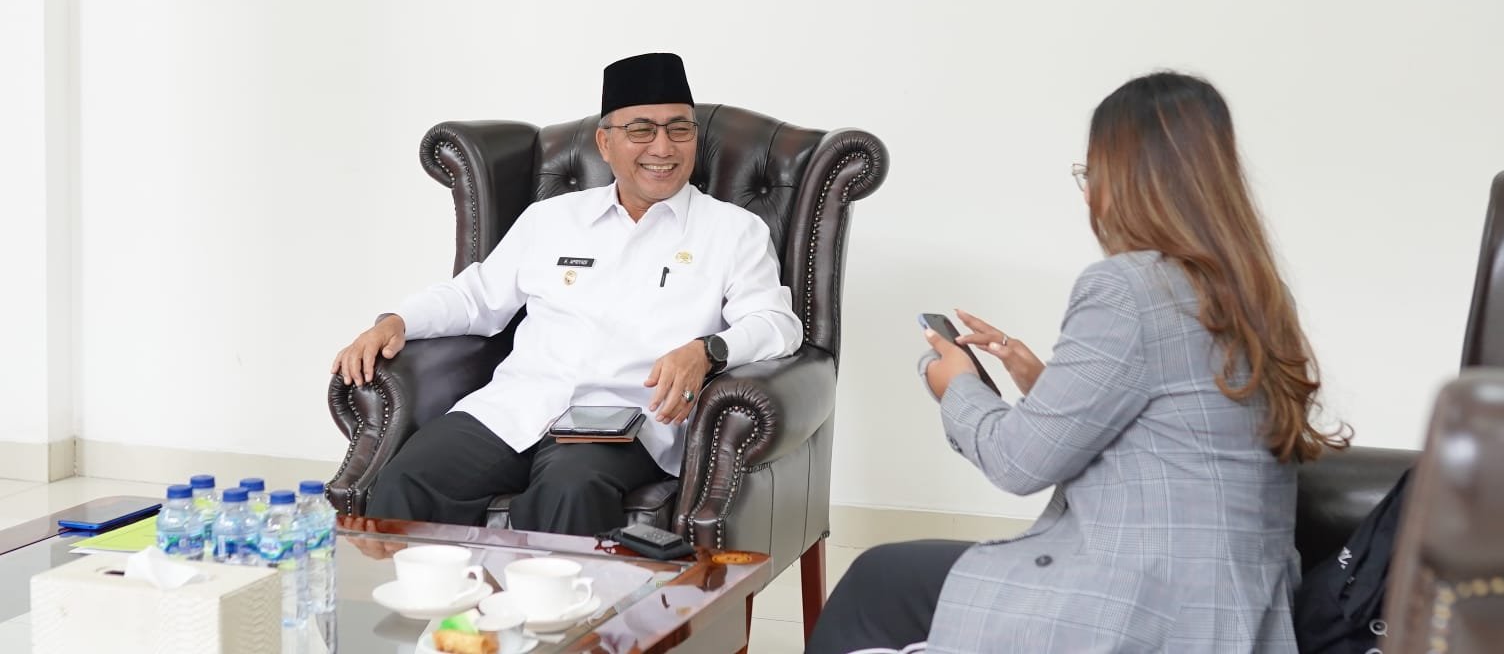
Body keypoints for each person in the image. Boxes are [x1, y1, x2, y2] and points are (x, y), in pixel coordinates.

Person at [805, 71, 1349, 654]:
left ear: (1129, 182)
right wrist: (1041, 381)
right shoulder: (1258, 291)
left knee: (876, 581)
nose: (1087, 194)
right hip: (1237, 609)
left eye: (1091, 174)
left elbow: (1017, 464)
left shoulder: (1128, 286)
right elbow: (1176, 426)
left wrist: (955, 385)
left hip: (1146, 606)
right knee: (896, 577)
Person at [330, 52, 802, 535]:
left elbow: (777, 325)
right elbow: (475, 298)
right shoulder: (552, 219)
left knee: (568, 491)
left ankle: (551, 592)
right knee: (409, 478)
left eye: (679, 129)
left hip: (622, 421)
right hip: (517, 405)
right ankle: (433, 590)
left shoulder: (733, 231)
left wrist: (707, 351)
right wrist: (397, 322)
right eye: (641, 130)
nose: (663, 147)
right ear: (605, 142)